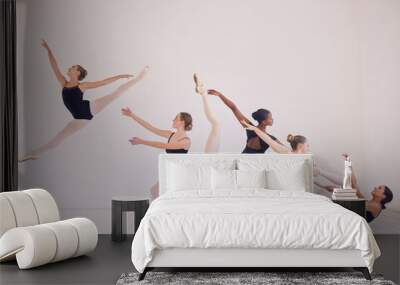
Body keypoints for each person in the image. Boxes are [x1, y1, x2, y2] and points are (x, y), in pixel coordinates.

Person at [19, 39, 149, 162]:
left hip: (90, 108)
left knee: (115, 94)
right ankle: (34, 154)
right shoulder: (63, 82)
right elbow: (55, 66)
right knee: (58, 139)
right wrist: (48, 50)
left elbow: (103, 83)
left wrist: (120, 76)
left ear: (77, 73)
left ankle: (139, 78)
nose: (70, 68)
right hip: (79, 120)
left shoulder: (82, 86)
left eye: (73, 67)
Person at [320, 154, 393, 223]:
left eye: (379, 188)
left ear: (383, 196)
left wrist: (338, 191)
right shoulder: (369, 202)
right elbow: (354, 185)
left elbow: (353, 202)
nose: (375, 187)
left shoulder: (376, 207)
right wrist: (349, 164)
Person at [207, 89, 282, 153]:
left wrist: (220, 95)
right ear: (264, 122)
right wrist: (220, 95)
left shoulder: (251, 129)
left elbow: (234, 108)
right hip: (245, 165)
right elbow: (234, 108)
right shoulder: (269, 138)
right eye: (270, 118)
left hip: (245, 164)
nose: (272, 119)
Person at [241, 121, 309, 154]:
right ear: (300, 145)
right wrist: (255, 129)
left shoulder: (307, 157)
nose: (308, 147)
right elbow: (268, 139)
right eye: (307, 145)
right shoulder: (287, 152)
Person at [194, 74, 220, 152]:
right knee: (216, 124)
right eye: (201, 85)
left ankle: (203, 94)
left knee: (216, 124)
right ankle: (203, 94)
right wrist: (204, 95)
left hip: (209, 158)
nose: (204, 86)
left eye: (202, 85)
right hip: (209, 158)